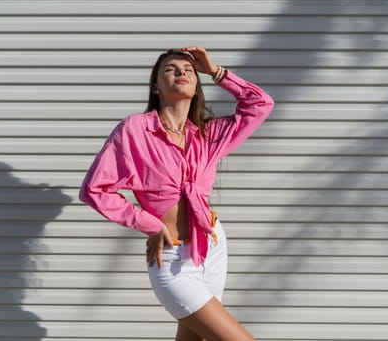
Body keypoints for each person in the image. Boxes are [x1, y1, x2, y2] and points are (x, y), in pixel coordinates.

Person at [79, 46, 274, 341]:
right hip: (171, 259)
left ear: (197, 85)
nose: (181, 72)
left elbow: (260, 104)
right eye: (170, 69)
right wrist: (150, 224)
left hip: (211, 246)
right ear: (156, 87)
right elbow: (95, 189)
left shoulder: (208, 135)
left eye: (189, 70)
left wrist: (216, 72)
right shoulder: (134, 130)